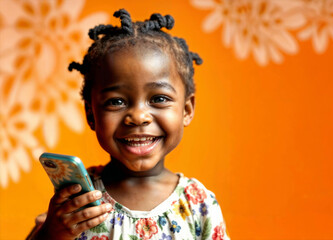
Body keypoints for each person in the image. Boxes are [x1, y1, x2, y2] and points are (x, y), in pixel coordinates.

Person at [29, 8, 229, 240]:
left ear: (186, 109)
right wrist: (51, 234)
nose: (138, 116)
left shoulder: (199, 203)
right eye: (116, 102)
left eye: (159, 99)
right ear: (91, 113)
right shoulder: (79, 201)